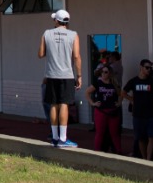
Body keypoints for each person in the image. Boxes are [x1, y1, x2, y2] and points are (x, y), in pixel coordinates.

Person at [39, 9, 82, 148]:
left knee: (53, 104)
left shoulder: (47, 33)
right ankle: (63, 138)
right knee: (64, 104)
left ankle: (55, 137)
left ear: (57, 21)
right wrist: (79, 75)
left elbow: (40, 54)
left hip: (51, 75)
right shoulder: (73, 35)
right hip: (67, 75)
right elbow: (76, 56)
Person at [123, 59, 153, 161]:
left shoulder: (152, 81)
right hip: (138, 114)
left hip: (150, 113)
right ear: (141, 67)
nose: (149, 70)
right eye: (147, 67)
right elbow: (123, 92)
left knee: (151, 136)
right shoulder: (134, 81)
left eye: (150, 68)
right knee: (140, 138)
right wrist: (131, 100)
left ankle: (148, 159)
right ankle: (144, 158)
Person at [87, 63, 123, 154]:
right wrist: (93, 103)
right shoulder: (98, 83)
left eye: (106, 72)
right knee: (100, 132)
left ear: (110, 73)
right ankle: (97, 151)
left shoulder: (114, 84)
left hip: (113, 111)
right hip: (101, 111)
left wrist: (119, 103)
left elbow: (121, 94)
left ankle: (118, 151)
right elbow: (87, 93)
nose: (103, 74)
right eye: (102, 72)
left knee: (114, 133)